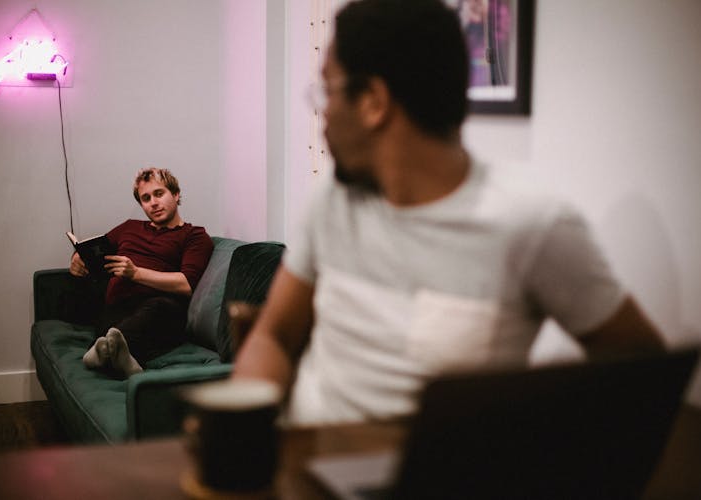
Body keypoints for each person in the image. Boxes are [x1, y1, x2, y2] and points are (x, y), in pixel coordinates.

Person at [231, 0, 664, 425]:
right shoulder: (332, 197)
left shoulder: (531, 222)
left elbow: (645, 374)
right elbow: (274, 335)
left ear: (373, 102)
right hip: (302, 463)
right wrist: (242, 429)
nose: (321, 113)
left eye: (328, 89)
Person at [70, 167, 213, 378]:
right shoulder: (129, 227)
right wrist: (77, 258)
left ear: (175, 194)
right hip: (117, 305)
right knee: (109, 317)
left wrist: (135, 273)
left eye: (159, 194)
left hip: (160, 307)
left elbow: (186, 284)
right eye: (146, 198)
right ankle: (116, 354)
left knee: (157, 309)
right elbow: (94, 249)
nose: (153, 203)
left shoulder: (194, 235)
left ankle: (105, 351)